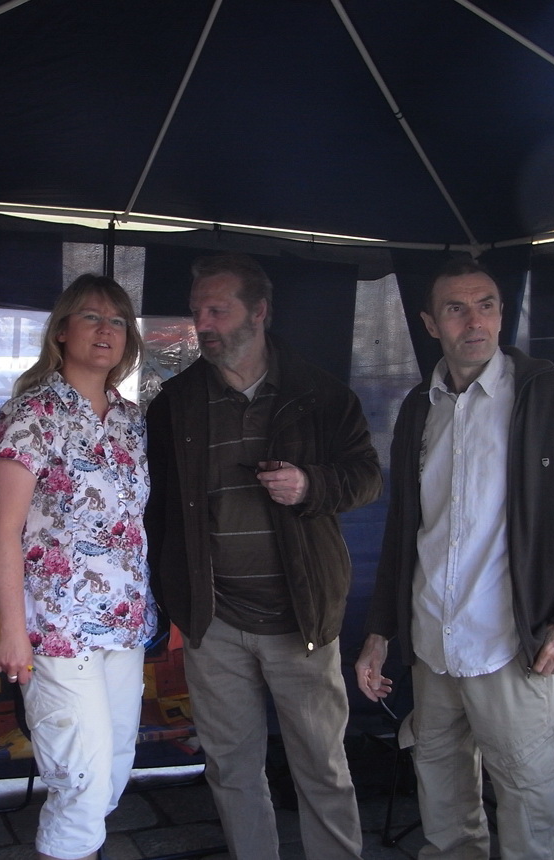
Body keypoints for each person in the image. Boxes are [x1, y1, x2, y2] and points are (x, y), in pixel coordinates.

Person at [355, 257, 554, 860]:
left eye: (486, 305)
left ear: (501, 313)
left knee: (532, 818)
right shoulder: (419, 408)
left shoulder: (550, 397)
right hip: (433, 649)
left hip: (514, 653)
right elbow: (406, 534)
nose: (474, 321)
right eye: (456, 309)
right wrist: (380, 631)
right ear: (430, 323)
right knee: (445, 819)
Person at [145, 253, 381, 860]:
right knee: (230, 768)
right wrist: (176, 599)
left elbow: (366, 477)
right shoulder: (176, 402)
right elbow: (158, 509)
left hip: (300, 618)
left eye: (217, 310)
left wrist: (310, 485)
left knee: (321, 766)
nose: (203, 324)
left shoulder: (320, 395)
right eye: (198, 311)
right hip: (214, 622)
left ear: (259, 312)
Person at [0, 274, 156, 860]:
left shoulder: (132, 420)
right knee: (79, 781)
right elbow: (2, 532)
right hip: (58, 630)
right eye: (91, 317)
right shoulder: (31, 414)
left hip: (125, 625)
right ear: (61, 331)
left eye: (118, 321)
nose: (106, 330)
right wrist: (12, 632)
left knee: (111, 773)